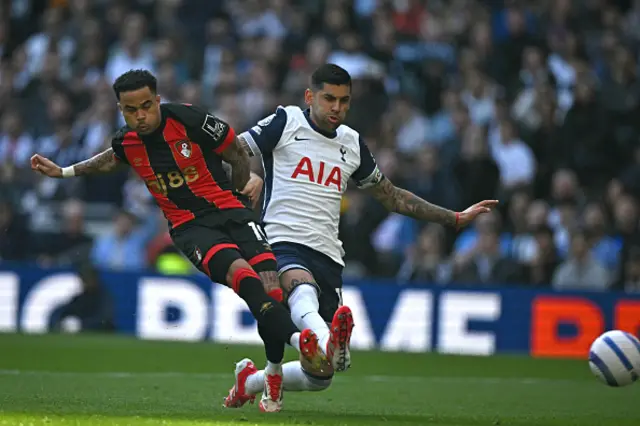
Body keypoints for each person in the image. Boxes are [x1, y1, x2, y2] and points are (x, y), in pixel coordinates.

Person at [30, 69, 327, 413]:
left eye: (145, 106)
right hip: (192, 228)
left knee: (273, 291)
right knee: (245, 280)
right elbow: (112, 158)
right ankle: (300, 341)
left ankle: (270, 373)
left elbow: (234, 150)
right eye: (130, 110)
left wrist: (244, 189)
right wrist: (65, 171)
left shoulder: (188, 119)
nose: (140, 116)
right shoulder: (127, 141)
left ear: (157, 101)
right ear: (120, 109)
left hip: (232, 210)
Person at [225, 64, 499, 407]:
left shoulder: (351, 144)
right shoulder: (286, 121)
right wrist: (246, 177)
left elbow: (393, 196)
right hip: (281, 239)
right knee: (300, 287)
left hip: (327, 253)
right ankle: (329, 343)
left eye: (344, 100)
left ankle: (251, 381)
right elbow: (232, 147)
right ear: (310, 97)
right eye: (329, 99)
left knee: (319, 377)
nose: (337, 108)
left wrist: (453, 218)